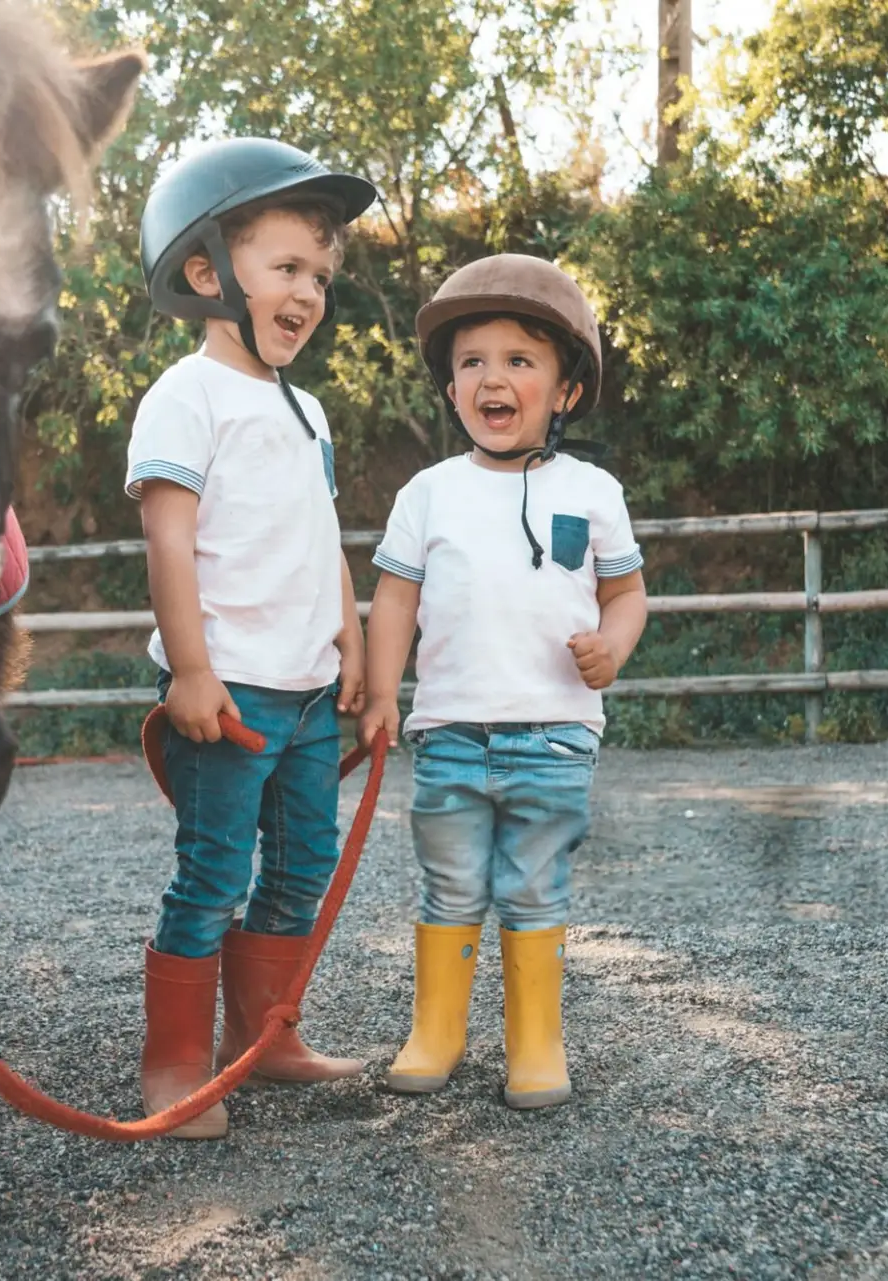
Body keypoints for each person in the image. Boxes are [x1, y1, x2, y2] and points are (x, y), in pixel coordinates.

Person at [126, 139, 378, 1138]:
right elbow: (169, 541)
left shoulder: (307, 409)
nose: (309, 293)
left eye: (319, 276)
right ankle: (175, 1062)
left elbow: (322, 538)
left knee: (301, 865)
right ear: (206, 274)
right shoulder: (185, 397)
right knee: (214, 871)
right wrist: (190, 668)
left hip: (312, 692)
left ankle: (265, 1037)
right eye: (287, 269)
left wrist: (354, 644)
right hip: (227, 691)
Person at [359, 254, 649, 1108]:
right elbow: (394, 600)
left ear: (565, 391)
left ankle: (536, 1043)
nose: (494, 378)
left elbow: (627, 592)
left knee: (532, 887)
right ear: (451, 390)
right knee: (448, 884)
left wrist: (614, 644)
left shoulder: (593, 491)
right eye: (473, 362)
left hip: (557, 734)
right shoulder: (428, 493)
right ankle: (437, 1031)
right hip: (448, 731)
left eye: (520, 361)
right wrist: (381, 695)